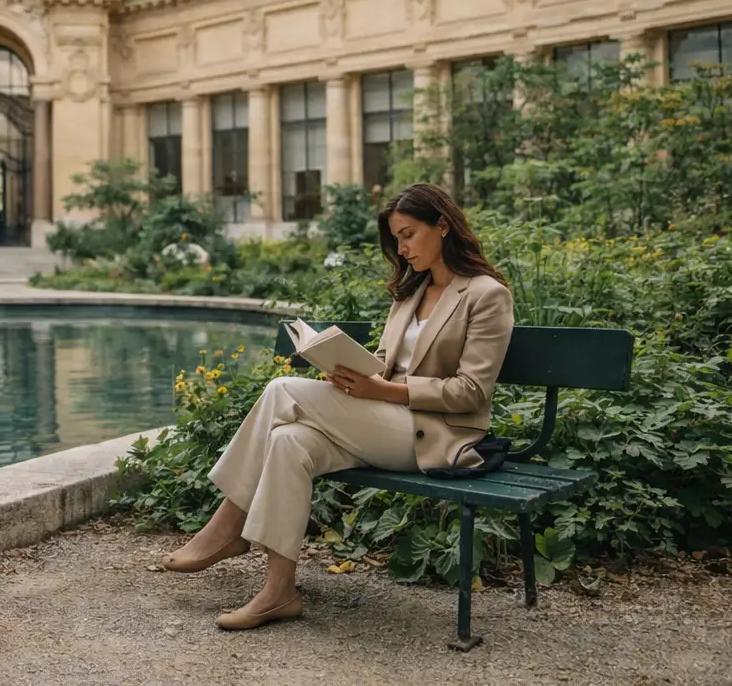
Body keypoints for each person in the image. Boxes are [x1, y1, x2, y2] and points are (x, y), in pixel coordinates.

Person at [162, 183, 514, 630]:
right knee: (289, 441)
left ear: (442, 225)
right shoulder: (409, 293)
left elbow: (471, 391)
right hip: (382, 422)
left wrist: (382, 392)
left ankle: (227, 525)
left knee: (282, 390)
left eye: (408, 234)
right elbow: (389, 365)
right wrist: (352, 375)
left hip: (436, 436)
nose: (402, 248)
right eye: (396, 239)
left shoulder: (486, 294)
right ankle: (279, 593)